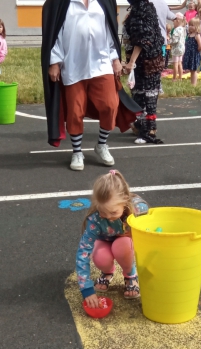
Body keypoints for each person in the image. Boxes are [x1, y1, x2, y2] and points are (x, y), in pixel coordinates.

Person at [41, 0, 141, 172]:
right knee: (75, 111)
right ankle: (77, 152)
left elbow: (110, 30)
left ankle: (102, 145)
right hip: (73, 66)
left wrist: (115, 59)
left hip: (101, 64)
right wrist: (55, 62)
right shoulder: (62, 3)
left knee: (110, 105)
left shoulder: (104, 2)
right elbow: (55, 33)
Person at [76, 170, 149, 308]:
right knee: (100, 256)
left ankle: (130, 275)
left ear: (125, 200)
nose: (108, 216)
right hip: (104, 242)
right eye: (103, 212)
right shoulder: (95, 219)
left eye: (113, 212)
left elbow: (150, 232)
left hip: (124, 243)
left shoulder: (138, 210)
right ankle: (108, 272)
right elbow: (83, 252)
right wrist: (86, 289)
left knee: (123, 245)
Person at [123, 0, 165, 145]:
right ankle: (141, 125)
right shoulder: (140, 8)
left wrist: (131, 61)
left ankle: (148, 130)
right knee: (139, 94)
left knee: (148, 95)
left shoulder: (143, 9)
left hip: (148, 61)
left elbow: (143, 39)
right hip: (144, 62)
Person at [183, 18, 201, 85]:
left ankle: (194, 84)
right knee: (191, 70)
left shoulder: (197, 35)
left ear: (197, 26)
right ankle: (192, 83)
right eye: (190, 25)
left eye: (192, 25)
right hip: (189, 54)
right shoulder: (189, 35)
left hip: (194, 55)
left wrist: (196, 51)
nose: (190, 26)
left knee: (194, 70)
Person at [170, 13, 186, 81]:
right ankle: (180, 77)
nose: (173, 23)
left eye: (173, 21)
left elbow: (174, 40)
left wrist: (169, 42)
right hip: (182, 48)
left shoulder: (176, 30)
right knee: (180, 63)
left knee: (175, 64)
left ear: (178, 20)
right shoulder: (183, 29)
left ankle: (174, 79)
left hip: (176, 48)